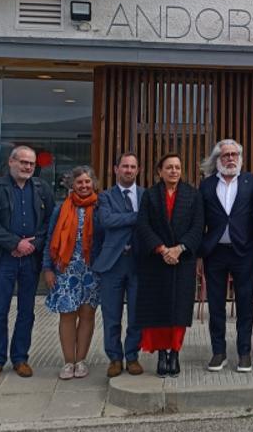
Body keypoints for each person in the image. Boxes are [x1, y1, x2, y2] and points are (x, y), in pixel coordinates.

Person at [0, 145, 55, 382]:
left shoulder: (42, 189)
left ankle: (20, 358)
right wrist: (14, 243)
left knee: (26, 312)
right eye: (23, 162)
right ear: (11, 162)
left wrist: (34, 244)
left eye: (31, 163)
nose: (28, 167)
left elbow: (50, 220)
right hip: (4, 259)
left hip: (30, 259)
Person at [135, 153, 204, 378]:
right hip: (156, 262)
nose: (174, 171)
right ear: (160, 171)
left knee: (179, 310)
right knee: (158, 310)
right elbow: (143, 225)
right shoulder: (150, 195)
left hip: (182, 261)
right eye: (169, 167)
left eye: (177, 167)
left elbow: (198, 226)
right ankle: (161, 354)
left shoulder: (193, 195)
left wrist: (179, 249)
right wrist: (162, 249)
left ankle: (174, 353)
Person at [199, 139, 253, 373]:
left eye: (234, 154)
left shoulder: (252, 182)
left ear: (240, 157)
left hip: (244, 252)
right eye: (225, 155)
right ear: (218, 159)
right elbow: (200, 219)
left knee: (245, 303)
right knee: (216, 305)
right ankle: (219, 352)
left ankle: (244, 353)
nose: (230, 159)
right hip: (215, 253)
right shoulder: (206, 186)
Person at [42, 166, 103, 380]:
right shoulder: (61, 209)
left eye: (88, 182)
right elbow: (50, 238)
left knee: (87, 314)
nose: (84, 186)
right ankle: (68, 362)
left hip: (91, 270)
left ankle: (81, 361)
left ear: (93, 183)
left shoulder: (100, 206)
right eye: (80, 182)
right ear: (72, 185)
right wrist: (48, 268)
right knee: (67, 315)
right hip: (65, 270)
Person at [94, 153, 144, 378]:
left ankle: (132, 356)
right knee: (111, 315)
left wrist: (125, 218)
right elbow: (107, 221)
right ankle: (114, 357)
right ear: (116, 169)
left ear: (138, 170)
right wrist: (137, 216)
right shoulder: (105, 197)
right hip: (112, 264)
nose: (129, 170)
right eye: (125, 166)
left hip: (138, 263)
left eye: (133, 167)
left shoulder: (146, 195)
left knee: (137, 314)